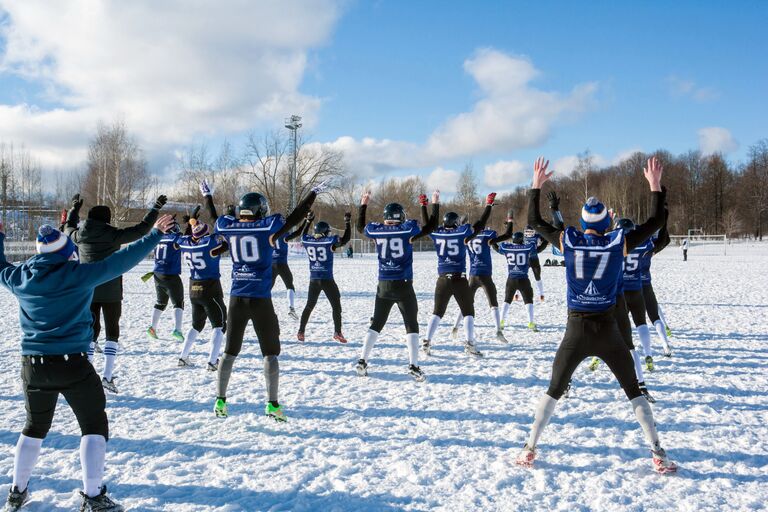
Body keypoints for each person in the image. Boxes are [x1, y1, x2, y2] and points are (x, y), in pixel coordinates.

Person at [0, 215, 174, 512]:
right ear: (67, 253)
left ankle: (17, 492)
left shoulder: (20, 278)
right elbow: (120, 261)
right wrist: (155, 234)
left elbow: (0, 264)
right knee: (93, 425)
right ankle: (93, 496)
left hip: (33, 366)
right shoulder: (78, 275)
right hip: (73, 365)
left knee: (34, 427)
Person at [516, 156, 677, 473]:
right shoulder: (620, 243)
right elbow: (657, 222)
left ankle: (529, 448)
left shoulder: (569, 242)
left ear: (584, 223)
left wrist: (536, 185)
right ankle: (658, 453)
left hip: (576, 330)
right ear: (608, 224)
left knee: (553, 391)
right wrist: (655, 186)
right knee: (634, 392)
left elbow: (534, 222)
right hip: (609, 331)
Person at [210, 182, 323, 420]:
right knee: (270, 354)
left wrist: (209, 197)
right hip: (261, 299)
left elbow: (219, 220)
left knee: (229, 352)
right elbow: (294, 218)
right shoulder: (267, 227)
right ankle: (272, 405)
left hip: (237, 298)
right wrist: (312, 193)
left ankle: (220, 401)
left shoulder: (227, 226)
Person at [65, 193, 167, 394]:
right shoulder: (113, 235)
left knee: (91, 332)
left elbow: (67, 228)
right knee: (112, 331)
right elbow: (141, 230)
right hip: (111, 291)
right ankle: (107, 376)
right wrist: (155, 208)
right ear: (107, 219)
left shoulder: (79, 235)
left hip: (88, 290)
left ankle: (87, 376)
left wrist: (74, 210)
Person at [355, 190, 439, 381]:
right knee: (411, 324)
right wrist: (433, 204)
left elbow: (360, 227)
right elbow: (431, 226)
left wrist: (363, 204)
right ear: (400, 216)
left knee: (376, 324)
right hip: (403, 284)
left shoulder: (376, 230)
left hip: (383, 284)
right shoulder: (407, 229)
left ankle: (362, 360)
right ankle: (414, 365)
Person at [421, 193, 496, 357]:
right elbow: (480, 225)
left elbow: (428, 225)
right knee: (468, 312)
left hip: (442, 279)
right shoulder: (462, 233)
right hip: (459, 278)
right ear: (456, 223)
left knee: (437, 312)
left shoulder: (437, 233)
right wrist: (488, 205)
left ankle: (426, 341)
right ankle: (470, 344)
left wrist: (426, 205)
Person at [450, 209, 514, 344]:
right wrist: (509, 221)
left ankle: (455, 327)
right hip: (485, 275)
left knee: (465, 304)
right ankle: (498, 331)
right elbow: (508, 235)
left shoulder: (466, 238)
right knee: (493, 304)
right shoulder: (487, 237)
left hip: (473, 275)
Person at [177, 219, 229, 370]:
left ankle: (183, 356)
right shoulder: (210, 243)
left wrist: (192, 225)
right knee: (219, 325)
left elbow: (184, 237)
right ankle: (213, 361)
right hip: (210, 288)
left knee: (196, 325)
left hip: (193, 288)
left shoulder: (186, 242)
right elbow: (225, 244)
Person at [297, 211, 352, 343]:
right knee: (336, 306)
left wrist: (308, 220)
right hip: (327, 279)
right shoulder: (329, 242)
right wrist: (347, 223)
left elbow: (303, 235)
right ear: (324, 232)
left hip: (314, 279)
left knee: (309, 306)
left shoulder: (307, 240)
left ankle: (301, 331)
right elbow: (345, 239)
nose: (329, 234)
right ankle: (337, 332)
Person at [146, 220, 185, 342]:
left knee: (161, 302)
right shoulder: (174, 238)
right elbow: (185, 240)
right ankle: (177, 330)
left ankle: (152, 328)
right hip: (170, 274)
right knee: (178, 303)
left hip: (157, 273)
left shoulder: (159, 238)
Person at [495, 231, 539, 332]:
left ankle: (501, 322)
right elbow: (533, 248)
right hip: (523, 278)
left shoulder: (507, 247)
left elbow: (498, 248)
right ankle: (531, 322)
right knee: (528, 301)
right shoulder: (527, 247)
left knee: (507, 300)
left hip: (511, 278)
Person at [524, 225, 549, 301]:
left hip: (534, 259)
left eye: (531, 232)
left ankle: (541, 294)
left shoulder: (536, 236)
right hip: (525, 259)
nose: (529, 233)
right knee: (521, 276)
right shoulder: (522, 237)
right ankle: (516, 294)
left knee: (537, 276)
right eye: (527, 232)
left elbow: (544, 238)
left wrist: (544, 241)